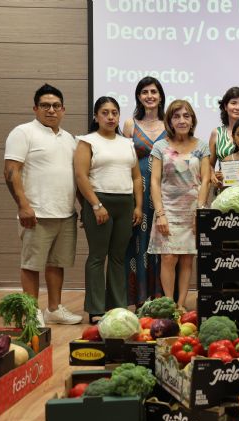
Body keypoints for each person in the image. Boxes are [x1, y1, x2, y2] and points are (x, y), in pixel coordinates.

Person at [3, 84, 83, 326]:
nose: (51, 110)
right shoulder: (23, 132)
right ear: (35, 108)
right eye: (45, 105)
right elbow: (10, 171)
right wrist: (23, 206)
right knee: (31, 265)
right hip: (36, 213)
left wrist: (83, 209)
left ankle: (54, 309)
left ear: (63, 110)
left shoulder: (69, 138)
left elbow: (77, 178)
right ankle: (31, 312)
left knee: (56, 264)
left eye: (56, 106)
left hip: (65, 213)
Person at [74, 97, 143, 323]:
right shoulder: (87, 141)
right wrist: (95, 205)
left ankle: (117, 307)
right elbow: (81, 176)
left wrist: (138, 205)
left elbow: (135, 176)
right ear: (96, 116)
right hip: (99, 202)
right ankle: (95, 309)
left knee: (117, 257)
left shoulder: (127, 143)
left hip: (125, 204)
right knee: (97, 256)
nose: (111, 117)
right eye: (105, 112)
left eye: (114, 112)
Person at [148, 100, 211, 310]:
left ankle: (181, 305)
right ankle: (169, 303)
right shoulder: (160, 146)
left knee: (186, 259)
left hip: (193, 209)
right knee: (168, 257)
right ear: (170, 121)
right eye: (176, 116)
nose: (182, 120)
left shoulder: (201, 146)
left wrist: (200, 211)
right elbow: (155, 181)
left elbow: (205, 180)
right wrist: (160, 214)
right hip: (168, 209)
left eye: (186, 116)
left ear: (192, 119)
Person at [122, 76, 167, 307]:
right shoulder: (130, 124)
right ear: (139, 96)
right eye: (145, 92)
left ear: (160, 96)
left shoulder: (170, 123)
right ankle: (139, 297)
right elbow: (125, 159)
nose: (149, 96)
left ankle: (161, 297)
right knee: (137, 241)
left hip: (164, 192)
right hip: (137, 190)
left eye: (154, 92)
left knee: (161, 243)